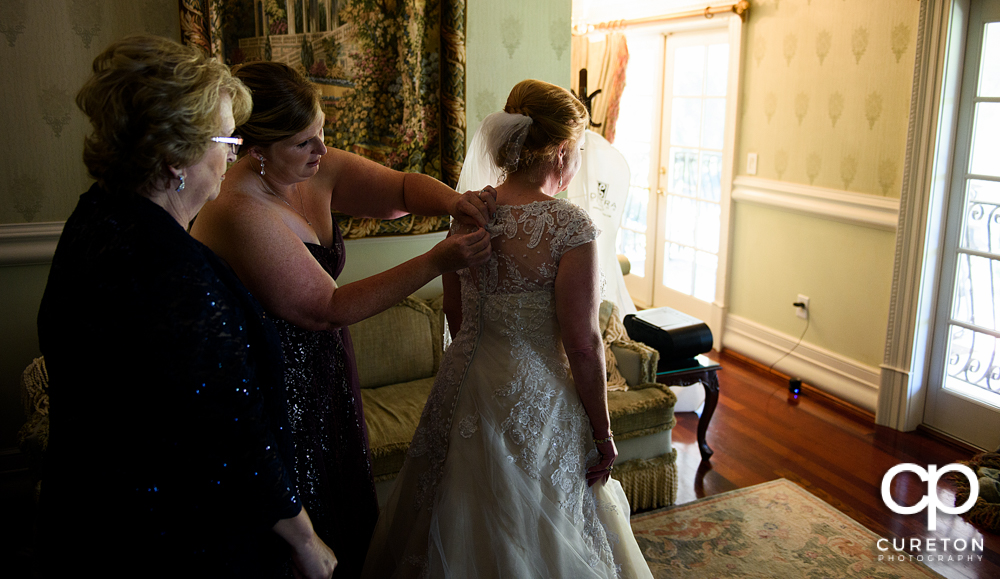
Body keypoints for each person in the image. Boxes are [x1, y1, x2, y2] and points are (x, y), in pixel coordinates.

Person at [36, 36, 336, 578]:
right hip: (177, 536)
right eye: (226, 138)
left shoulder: (95, 218)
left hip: (90, 513)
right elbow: (233, 429)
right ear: (176, 155)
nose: (234, 153)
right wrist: (305, 538)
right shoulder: (172, 270)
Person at [190, 61, 495, 577]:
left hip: (329, 374)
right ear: (256, 149)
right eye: (305, 142)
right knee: (302, 529)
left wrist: (455, 202)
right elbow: (327, 308)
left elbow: (399, 192)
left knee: (348, 509)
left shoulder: (315, 169)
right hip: (275, 390)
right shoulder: (235, 211)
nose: (322, 151)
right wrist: (437, 260)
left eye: (322, 132)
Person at [361, 80, 653, 578]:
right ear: (561, 151)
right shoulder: (569, 227)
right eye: (578, 150)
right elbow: (582, 346)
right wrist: (604, 433)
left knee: (452, 507)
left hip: (464, 383)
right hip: (537, 394)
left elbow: (456, 316)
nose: (578, 161)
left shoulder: (470, 213)